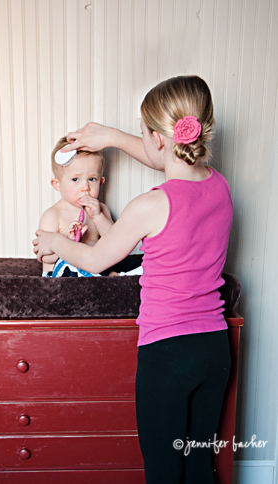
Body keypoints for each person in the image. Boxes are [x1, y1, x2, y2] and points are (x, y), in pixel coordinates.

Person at [33, 75, 232, 484]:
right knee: (198, 466)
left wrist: (54, 240)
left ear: (157, 139)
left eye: (142, 134)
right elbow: (167, 158)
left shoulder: (149, 206)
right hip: (214, 348)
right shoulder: (220, 186)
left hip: (168, 353)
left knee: (163, 470)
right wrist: (113, 137)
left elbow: (95, 258)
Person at [39, 136, 113, 276]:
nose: (85, 187)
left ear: (100, 182)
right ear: (58, 184)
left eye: (92, 179)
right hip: (59, 277)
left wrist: (98, 217)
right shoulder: (53, 215)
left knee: (109, 269)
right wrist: (66, 244)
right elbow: (44, 257)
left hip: (92, 270)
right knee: (71, 265)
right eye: (75, 179)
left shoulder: (101, 210)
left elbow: (114, 244)